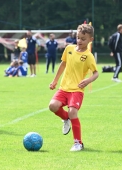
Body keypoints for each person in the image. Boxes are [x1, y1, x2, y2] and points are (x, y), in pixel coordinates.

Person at [48, 23, 99, 151]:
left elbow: (96, 73)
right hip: (64, 88)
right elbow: (63, 64)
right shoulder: (69, 49)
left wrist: (88, 80)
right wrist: (55, 81)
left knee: (73, 112)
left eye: (83, 38)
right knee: (52, 106)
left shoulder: (88, 56)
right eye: (78, 37)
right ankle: (66, 119)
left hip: (76, 90)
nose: (79, 41)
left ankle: (78, 143)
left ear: (90, 40)